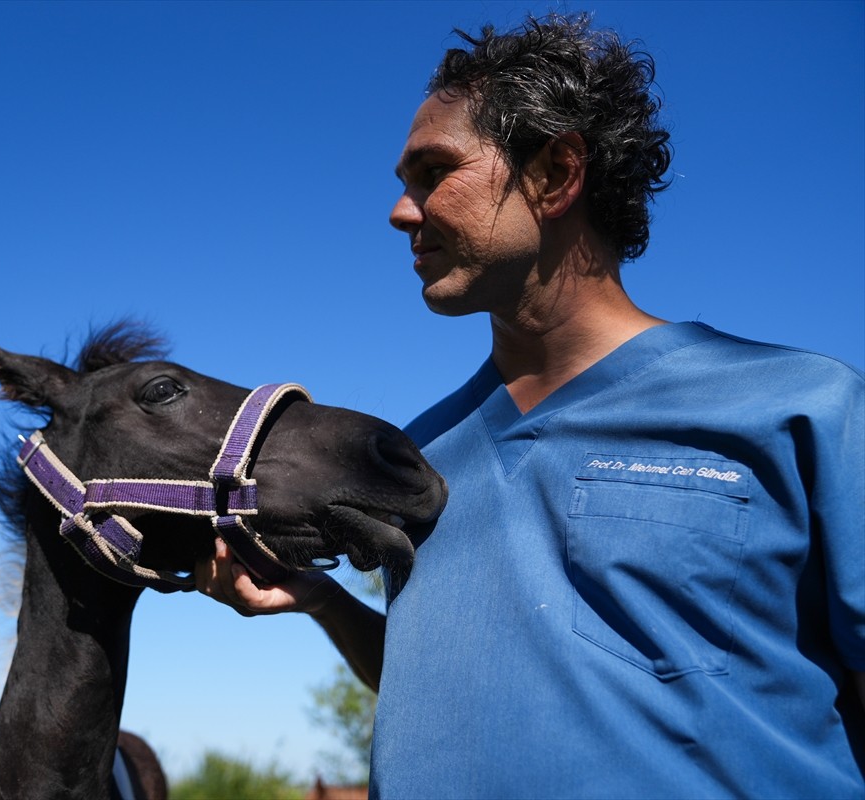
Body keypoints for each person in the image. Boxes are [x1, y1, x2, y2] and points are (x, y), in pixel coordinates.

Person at [195, 12, 865, 799]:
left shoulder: (803, 409)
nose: (400, 212)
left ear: (554, 174)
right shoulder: (416, 456)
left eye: (432, 172)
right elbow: (448, 701)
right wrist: (322, 602)